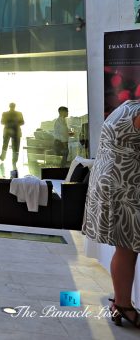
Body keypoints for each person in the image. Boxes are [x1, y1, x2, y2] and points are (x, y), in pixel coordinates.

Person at [83, 100, 140, 328]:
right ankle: (123, 305)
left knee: (125, 247)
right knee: (127, 247)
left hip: (111, 182)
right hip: (125, 186)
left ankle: (121, 303)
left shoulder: (127, 106)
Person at [0, 102, 25, 168]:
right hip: (16, 131)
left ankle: (3, 157)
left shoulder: (5, 113)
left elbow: (2, 122)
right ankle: (14, 161)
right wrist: (15, 123)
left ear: (9, 106)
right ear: (14, 106)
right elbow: (22, 122)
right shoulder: (19, 113)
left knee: (5, 145)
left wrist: (8, 123)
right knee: (15, 147)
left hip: (8, 131)